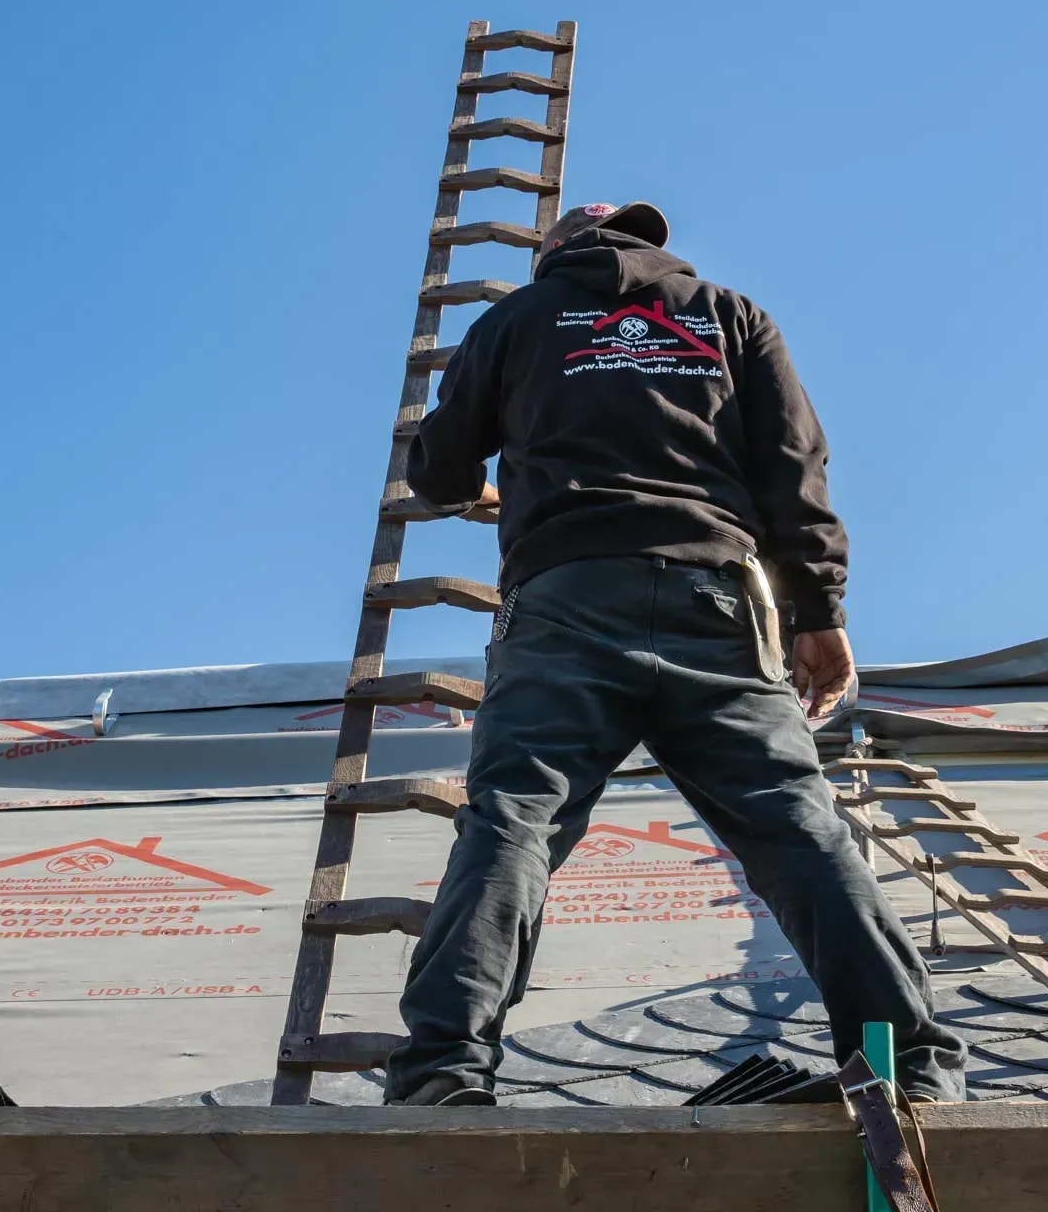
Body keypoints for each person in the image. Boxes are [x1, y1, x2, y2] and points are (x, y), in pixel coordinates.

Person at [385, 201, 966, 1106]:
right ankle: (910, 1065)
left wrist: (495, 461)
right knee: (794, 822)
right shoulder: (731, 314)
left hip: (566, 598)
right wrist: (819, 609)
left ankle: (443, 1075)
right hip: (719, 599)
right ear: (651, 246)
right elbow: (793, 464)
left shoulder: (515, 321)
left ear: (554, 254)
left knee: (515, 822)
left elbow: (442, 474)